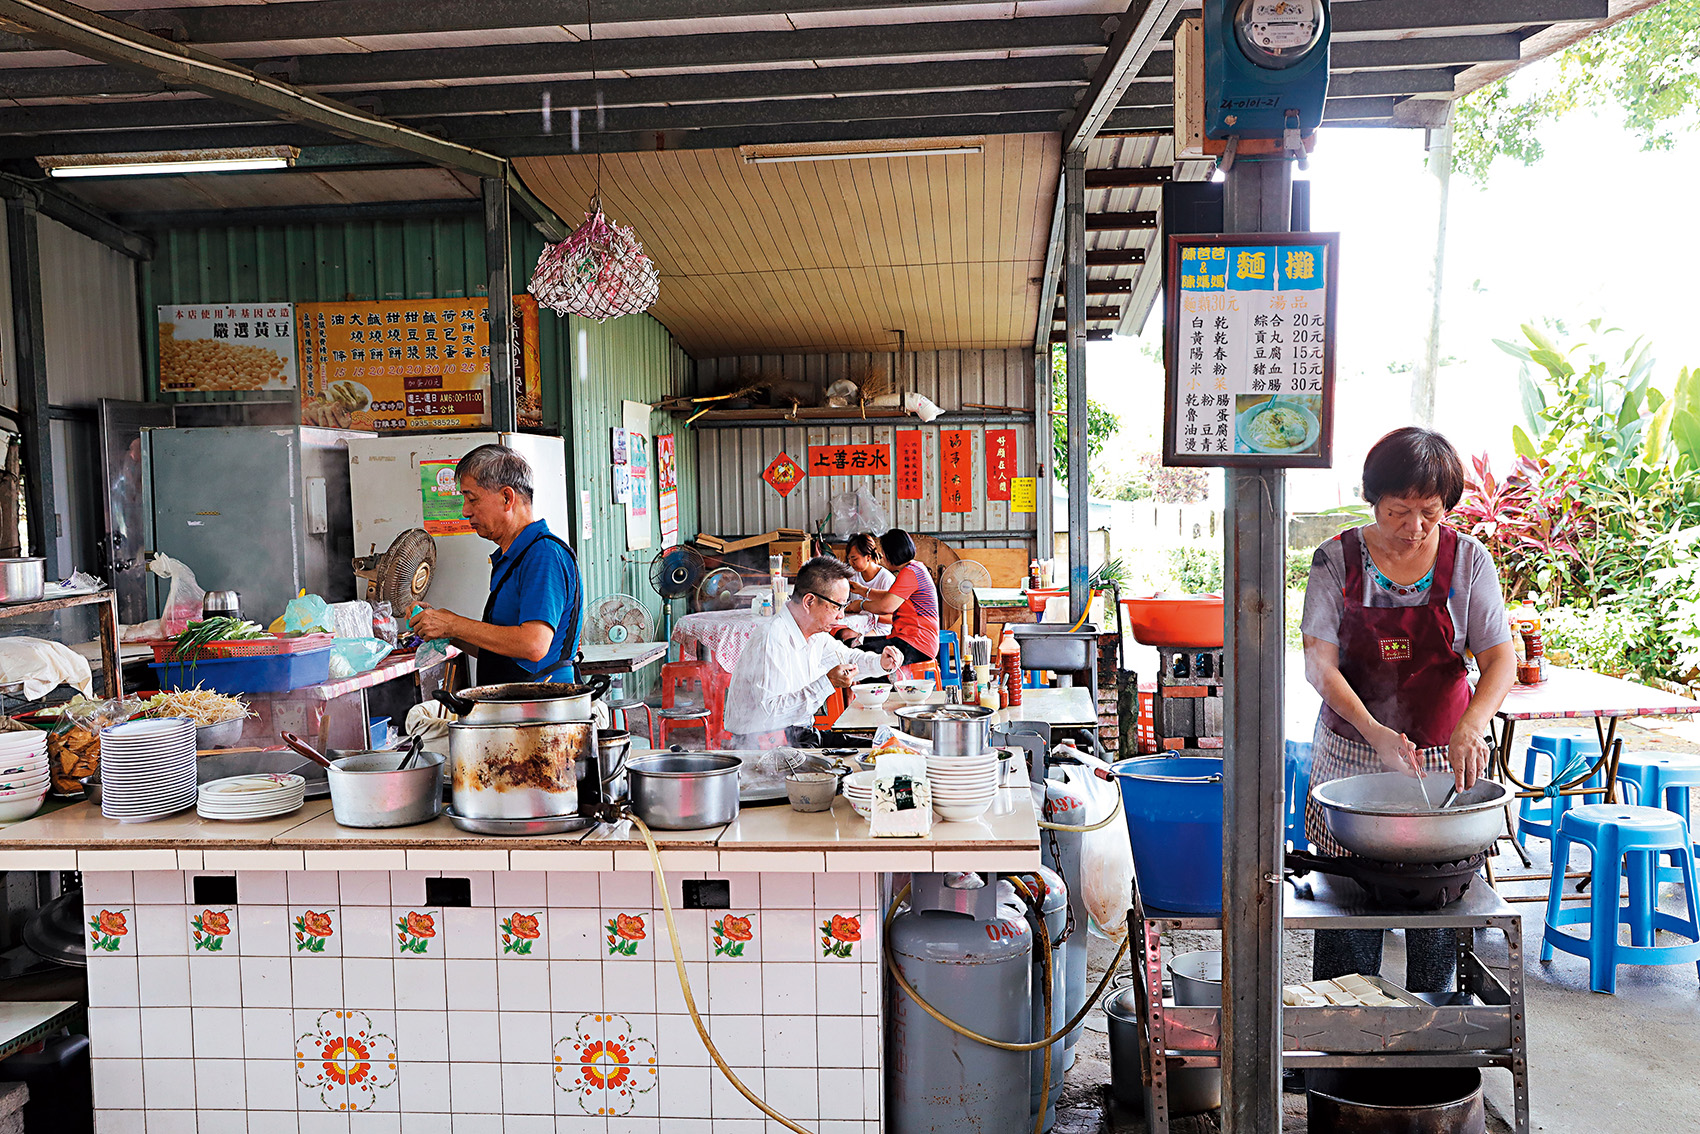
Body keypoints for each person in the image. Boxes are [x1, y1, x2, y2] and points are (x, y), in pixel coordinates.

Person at [1300, 426, 1516, 993]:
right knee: (1350, 902)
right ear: (1373, 499)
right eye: (1399, 511)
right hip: (1352, 751)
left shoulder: (1468, 561)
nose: (1414, 528)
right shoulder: (1335, 560)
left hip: (1447, 756)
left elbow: (1500, 660)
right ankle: (1341, 1029)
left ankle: (1436, 1025)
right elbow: (1319, 664)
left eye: (1430, 512)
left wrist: (1473, 724)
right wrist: (1374, 731)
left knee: (1438, 901)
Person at [408, 444, 584, 684]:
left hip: (541, 707)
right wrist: (446, 627)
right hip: (513, 705)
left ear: (506, 497)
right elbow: (502, 652)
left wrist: (454, 624)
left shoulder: (543, 554)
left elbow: (533, 645)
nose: (465, 511)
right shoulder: (513, 556)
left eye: (472, 499)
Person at [722, 556, 904, 748]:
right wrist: (827, 682)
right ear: (809, 601)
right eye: (837, 606)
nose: (842, 615)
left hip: (797, 734)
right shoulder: (772, 639)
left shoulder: (815, 634)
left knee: (884, 748)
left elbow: (848, 658)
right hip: (763, 744)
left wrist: (881, 663)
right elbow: (771, 714)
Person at [846, 529, 940, 670]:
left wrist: (861, 605)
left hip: (917, 642)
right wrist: (862, 590)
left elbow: (886, 607)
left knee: (863, 656)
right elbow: (890, 596)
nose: (882, 558)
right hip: (908, 638)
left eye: (884, 553)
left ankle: (887, 689)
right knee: (855, 645)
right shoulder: (915, 568)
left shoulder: (910, 572)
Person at [844, 533, 894, 634]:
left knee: (850, 637)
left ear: (868, 557)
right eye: (849, 559)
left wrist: (866, 613)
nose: (851, 563)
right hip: (854, 623)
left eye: (854, 559)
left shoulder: (886, 579)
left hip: (879, 628)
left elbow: (893, 618)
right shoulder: (851, 574)